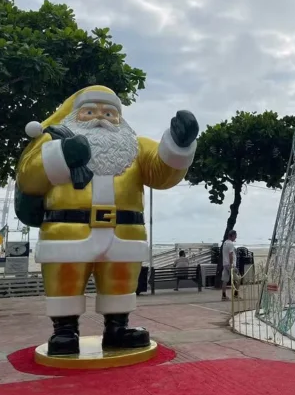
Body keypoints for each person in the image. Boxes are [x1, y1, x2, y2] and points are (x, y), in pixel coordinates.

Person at [16, 85, 199, 355]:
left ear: (120, 118)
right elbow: (29, 178)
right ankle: (64, 330)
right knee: (65, 279)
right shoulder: (51, 142)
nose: (101, 117)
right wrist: (62, 157)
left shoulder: (136, 147)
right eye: (90, 111)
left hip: (124, 231)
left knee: (121, 281)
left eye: (110, 112)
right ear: (75, 114)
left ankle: (118, 327)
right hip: (68, 229)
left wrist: (180, 144)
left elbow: (162, 174)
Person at [221, 229, 237, 301]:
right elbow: (231, 254)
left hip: (225, 264)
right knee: (238, 279)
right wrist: (231, 264)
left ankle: (223, 295)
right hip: (230, 265)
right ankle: (236, 294)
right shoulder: (230, 244)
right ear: (232, 235)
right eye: (235, 236)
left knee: (225, 280)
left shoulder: (225, 243)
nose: (236, 237)